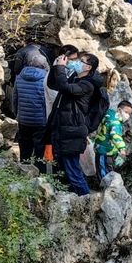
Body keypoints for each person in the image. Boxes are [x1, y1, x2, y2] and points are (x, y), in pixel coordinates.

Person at [47, 51, 102, 196]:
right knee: (66, 169)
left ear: (88, 67)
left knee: (73, 170)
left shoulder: (87, 85)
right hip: (64, 129)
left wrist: (61, 69)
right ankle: (76, 200)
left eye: (81, 61)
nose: (77, 62)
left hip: (73, 130)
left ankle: (87, 201)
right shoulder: (74, 78)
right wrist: (56, 68)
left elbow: (65, 88)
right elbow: (54, 84)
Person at [13, 52, 53, 170]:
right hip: (40, 121)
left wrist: (17, 114)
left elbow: (15, 98)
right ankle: (39, 173)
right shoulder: (46, 78)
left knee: (24, 146)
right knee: (39, 149)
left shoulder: (19, 77)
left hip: (23, 120)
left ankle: (23, 170)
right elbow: (48, 100)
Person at [94, 101, 132, 181]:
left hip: (106, 149)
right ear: (119, 110)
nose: (127, 116)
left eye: (129, 114)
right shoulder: (115, 122)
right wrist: (122, 148)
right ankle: (105, 188)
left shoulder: (110, 116)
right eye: (126, 112)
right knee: (104, 170)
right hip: (104, 150)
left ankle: (107, 187)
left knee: (105, 168)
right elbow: (115, 136)